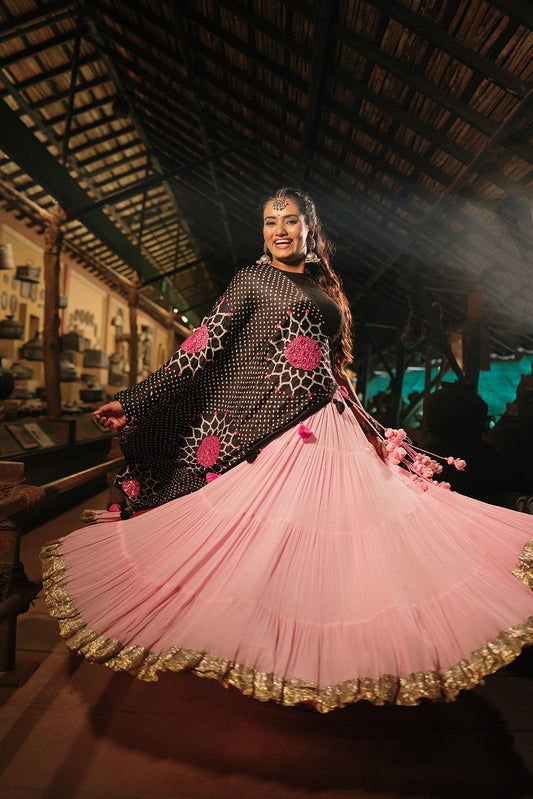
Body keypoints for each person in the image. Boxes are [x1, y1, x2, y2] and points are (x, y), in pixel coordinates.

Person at [41, 188, 533, 713]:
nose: (279, 229)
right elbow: (201, 348)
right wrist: (134, 401)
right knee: (273, 539)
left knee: (348, 539)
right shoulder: (252, 280)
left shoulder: (323, 287)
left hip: (335, 426)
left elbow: (332, 367)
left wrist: (366, 425)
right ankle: (264, 652)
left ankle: (332, 654)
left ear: (308, 228)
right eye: (270, 221)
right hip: (281, 427)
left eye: (290, 220)